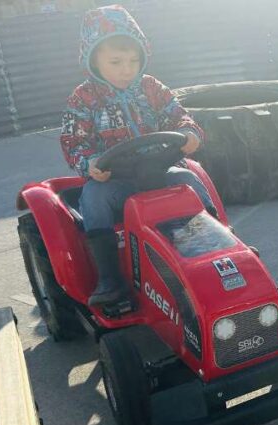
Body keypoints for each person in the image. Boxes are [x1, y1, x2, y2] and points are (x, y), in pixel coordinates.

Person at [60, 4, 216, 307]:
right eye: (116, 61)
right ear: (93, 58)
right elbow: (73, 141)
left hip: (159, 171)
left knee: (190, 179)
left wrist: (190, 133)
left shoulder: (151, 88)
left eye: (133, 60)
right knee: (92, 198)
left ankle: (217, 247)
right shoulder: (83, 98)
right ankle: (110, 278)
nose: (126, 68)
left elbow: (178, 115)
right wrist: (89, 164)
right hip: (114, 180)